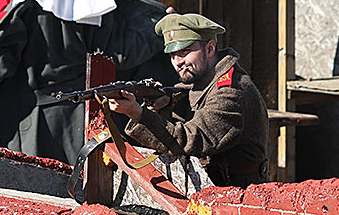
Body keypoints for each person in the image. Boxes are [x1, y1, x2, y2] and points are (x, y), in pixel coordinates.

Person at [0, 0, 176, 166]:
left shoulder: (21, 10)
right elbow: (122, 56)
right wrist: (161, 23)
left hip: (33, 120)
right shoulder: (94, 9)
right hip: (80, 118)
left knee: (39, 182)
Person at [108, 13, 269, 188]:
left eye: (184, 52)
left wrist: (137, 113)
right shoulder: (200, 82)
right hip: (213, 186)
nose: (178, 62)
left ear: (210, 48)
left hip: (239, 192)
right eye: (172, 55)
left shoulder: (230, 92)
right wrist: (164, 109)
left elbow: (190, 140)